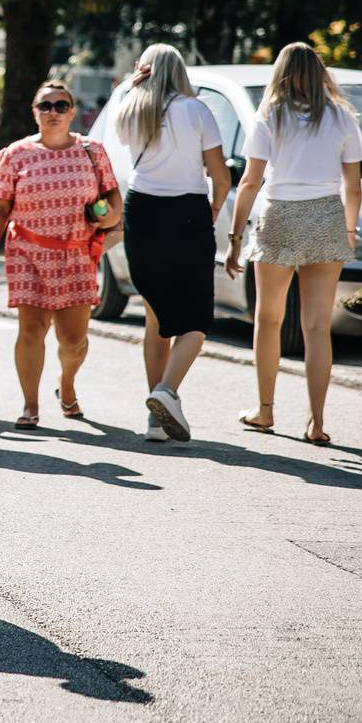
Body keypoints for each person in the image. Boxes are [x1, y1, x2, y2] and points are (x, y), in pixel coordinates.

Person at [224, 43, 362, 446]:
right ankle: (316, 422)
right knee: (318, 326)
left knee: (268, 319)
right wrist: (349, 233)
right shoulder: (342, 117)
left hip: (280, 214)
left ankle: (265, 410)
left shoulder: (270, 115)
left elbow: (250, 181)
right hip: (325, 215)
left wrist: (236, 238)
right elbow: (352, 186)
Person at [0, 79, 121, 430]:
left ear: (72, 111)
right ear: (35, 112)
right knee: (32, 330)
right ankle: (30, 405)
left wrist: (109, 216)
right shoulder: (14, 155)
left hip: (76, 254)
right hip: (28, 252)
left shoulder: (93, 151)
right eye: (45, 105)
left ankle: (67, 384)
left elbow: (114, 201)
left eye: (61, 105)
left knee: (73, 340)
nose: (53, 112)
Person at [114, 45, 230, 443]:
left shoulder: (130, 107)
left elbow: (125, 112)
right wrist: (214, 207)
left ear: (144, 71)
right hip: (187, 212)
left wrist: (134, 82)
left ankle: (155, 416)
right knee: (196, 319)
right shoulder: (196, 110)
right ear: (181, 70)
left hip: (142, 212)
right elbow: (220, 173)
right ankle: (167, 391)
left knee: (155, 316)